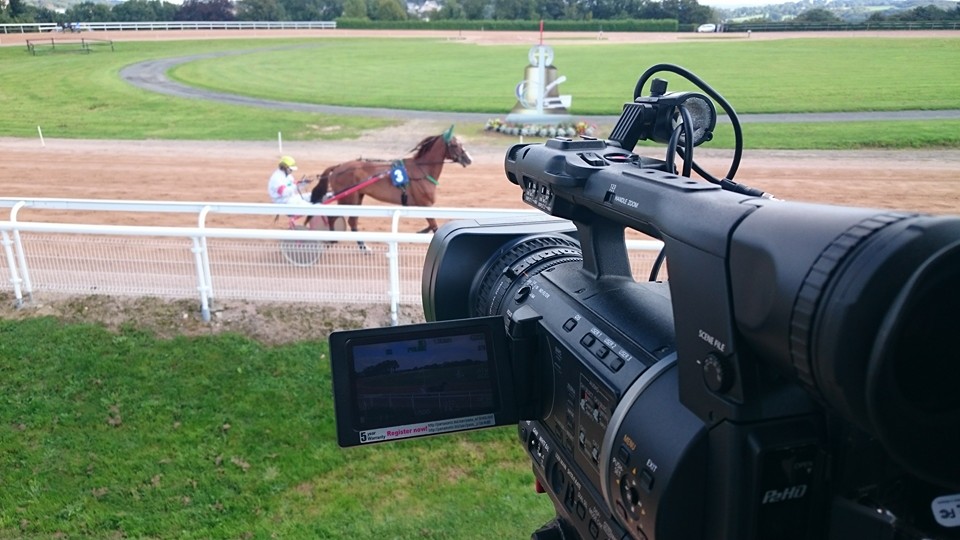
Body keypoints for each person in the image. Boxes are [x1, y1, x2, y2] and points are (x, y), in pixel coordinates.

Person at [267, 155, 311, 226]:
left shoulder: (288, 176)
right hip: (284, 202)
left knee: (311, 195)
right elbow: (284, 192)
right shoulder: (277, 178)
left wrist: (304, 183)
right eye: (290, 169)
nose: (292, 171)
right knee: (311, 208)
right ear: (284, 167)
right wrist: (296, 185)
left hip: (291, 198)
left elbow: (294, 187)